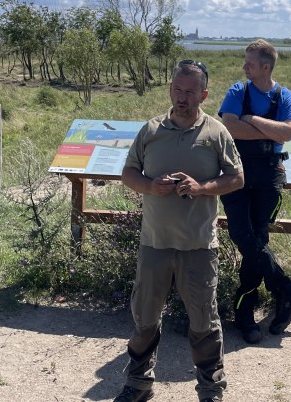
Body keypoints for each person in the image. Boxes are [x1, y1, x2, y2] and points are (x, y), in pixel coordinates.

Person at [114, 60, 244, 402]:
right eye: (177, 89)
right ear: (170, 88)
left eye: (190, 91)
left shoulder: (216, 133)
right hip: (155, 243)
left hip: (198, 246)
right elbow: (128, 172)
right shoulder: (151, 130)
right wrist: (150, 186)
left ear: (203, 93)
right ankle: (138, 384)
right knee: (144, 318)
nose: (182, 97)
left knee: (204, 322)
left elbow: (237, 178)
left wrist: (201, 188)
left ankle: (211, 389)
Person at [218, 39, 291, 344]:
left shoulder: (284, 96)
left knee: (257, 239)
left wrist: (251, 120)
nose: (244, 67)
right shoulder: (237, 92)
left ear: (265, 67)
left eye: (250, 63)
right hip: (236, 172)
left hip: (269, 174)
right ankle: (287, 290)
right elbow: (229, 127)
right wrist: (269, 128)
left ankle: (245, 316)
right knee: (243, 235)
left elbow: (288, 133)